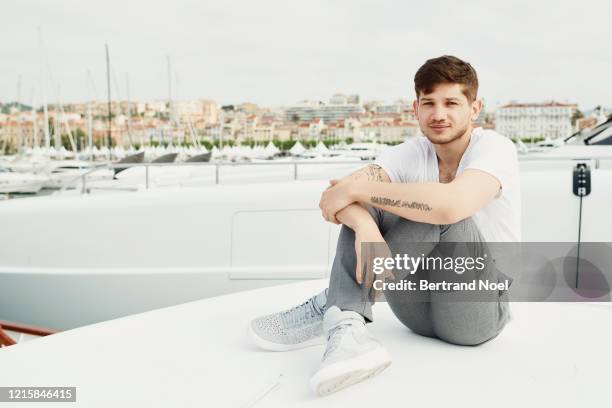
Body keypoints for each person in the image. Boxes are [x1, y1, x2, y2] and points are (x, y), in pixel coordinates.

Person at [247, 55, 521, 397]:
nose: (439, 114)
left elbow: (452, 206)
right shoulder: (410, 152)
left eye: (451, 103)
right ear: (415, 109)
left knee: (442, 211)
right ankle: (347, 324)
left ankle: (335, 302)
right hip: (414, 311)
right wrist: (366, 227)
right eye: (429, 103)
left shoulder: (495, 147)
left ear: (475, 108)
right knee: (368, 206)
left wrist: (359, 190)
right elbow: (335, 199)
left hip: (477, 313)